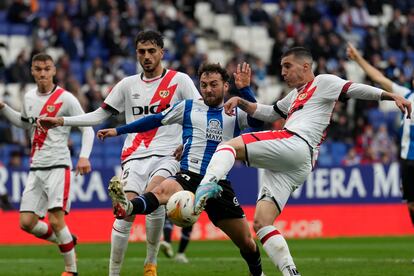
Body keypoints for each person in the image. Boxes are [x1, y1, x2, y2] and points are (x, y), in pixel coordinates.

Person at [193, 47, 412, 276]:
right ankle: (291, 273)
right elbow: (269, 113)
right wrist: (241, 100)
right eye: (281, 67)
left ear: (305, 66)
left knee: (228, 146)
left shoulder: (324, 82)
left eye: (287, 66)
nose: (283, 72)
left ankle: (207, 184)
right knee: (262, 223)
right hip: (297, 164)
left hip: (296, 143)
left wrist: (391, 96)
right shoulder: (296, 95)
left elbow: (355, 89)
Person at [37, 30, 201, 276]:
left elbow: (199, 113)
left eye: (151, 51)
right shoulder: (127, 85)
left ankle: (150, 265)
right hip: (134, 155)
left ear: (162, 53)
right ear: (136, 53)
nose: (146, 56)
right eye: (141, 52)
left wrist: (188, 143)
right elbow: (99, 115)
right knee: (124, 213)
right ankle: (114, 273)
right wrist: (62, 121)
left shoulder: (181, 81)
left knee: (154, 198)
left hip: (168, 155)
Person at [97, 62, 265, 276]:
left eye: (214, 84)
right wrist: (119, 130)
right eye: (204, 85)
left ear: (225, 86)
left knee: (247, 243)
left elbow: (257, 122)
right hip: (188, 175)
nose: (208, 89)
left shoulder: (234, 111)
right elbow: (155, 120)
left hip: (217, 183)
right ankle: (128, 208)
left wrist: (245, 90)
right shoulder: (188, 107)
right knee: (159, 191)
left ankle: (257, 273)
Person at [0, 53, 94, 276]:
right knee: (26, 222)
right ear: (32, 71)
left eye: (47, 69)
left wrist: (84, 156)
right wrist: (3, 108)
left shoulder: (66, 99)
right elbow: (24, 124)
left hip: (58, 166)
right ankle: (67, 241)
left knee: (55, 218)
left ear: (54, 71)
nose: (43, 73)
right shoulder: (29, 97)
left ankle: (71, 270)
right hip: (36, 167)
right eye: (38, 69)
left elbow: (87, 126)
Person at [346, 42, 414, 226]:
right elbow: (379, 78)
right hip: (408, 160)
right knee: (411, 206)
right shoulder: (407, 95)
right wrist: (358, 58)